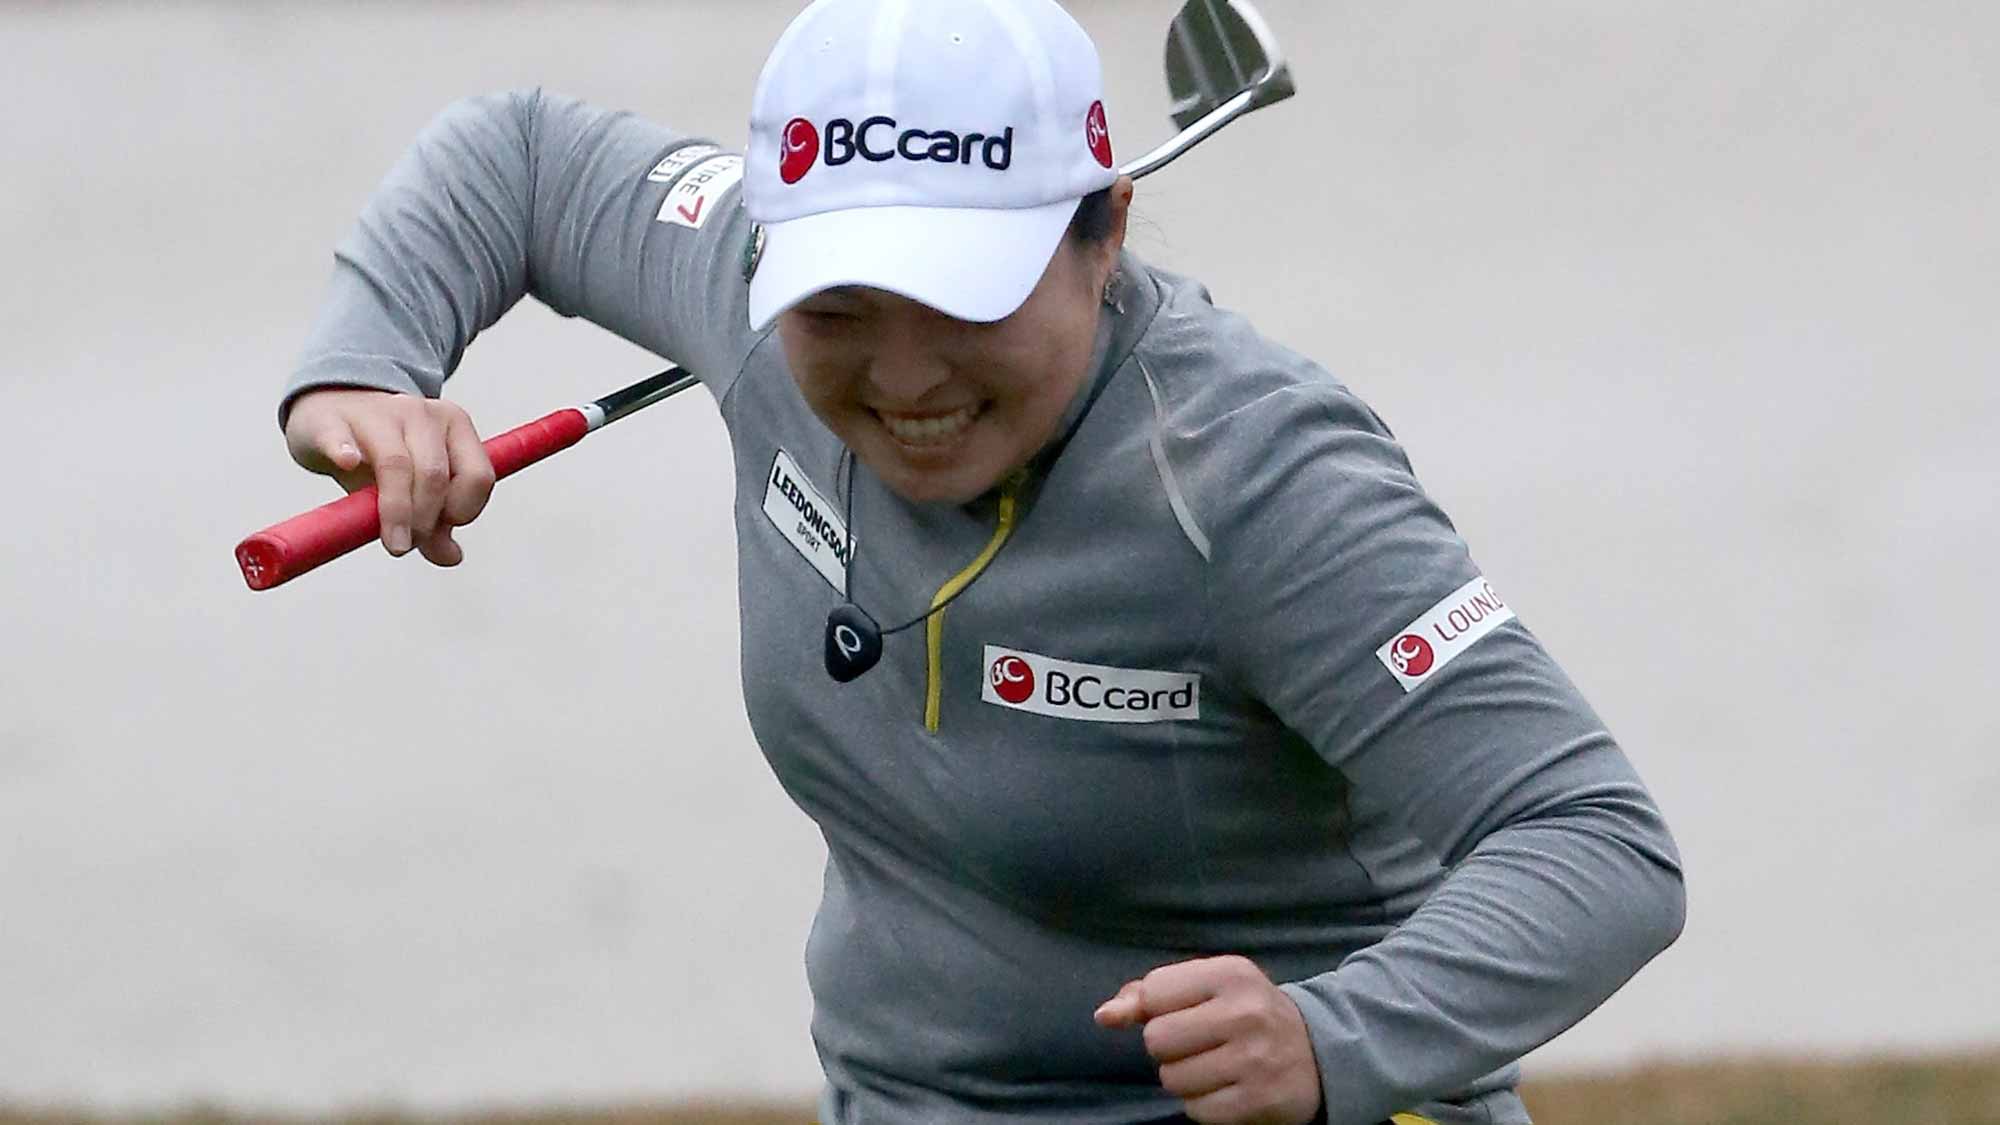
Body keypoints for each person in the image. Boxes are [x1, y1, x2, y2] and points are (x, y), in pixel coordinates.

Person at [276, 1, 1686, 1122]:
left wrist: (1331, 1036)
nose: (904, 375)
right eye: (839, 306)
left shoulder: (1256, 479)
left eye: (965, 296)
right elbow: (516, 157)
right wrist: (362, 370)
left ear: (1103, 233)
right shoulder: (746, 297)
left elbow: (1598, 845)